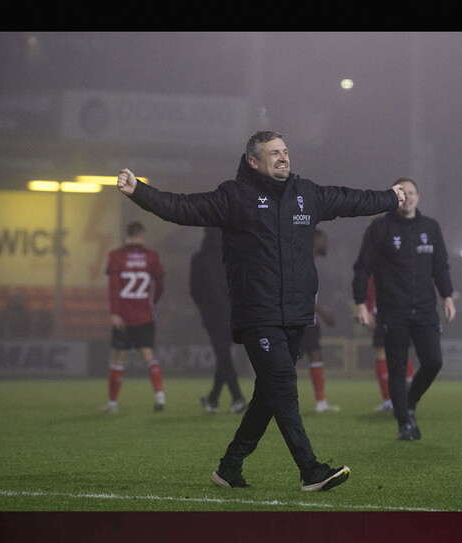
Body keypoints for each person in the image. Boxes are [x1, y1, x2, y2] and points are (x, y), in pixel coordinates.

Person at [116, 130, 404, 491]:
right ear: (254, 162)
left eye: (285, 152)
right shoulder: (235, 197)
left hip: (297, 313)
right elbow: (183, 208)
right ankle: (310, 469)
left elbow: (350, 200)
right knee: (283, 385)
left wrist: (390, 199)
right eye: (274, 154)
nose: (283, 158)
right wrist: (139, 191)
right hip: (258, 313)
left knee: (268, 395)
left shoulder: (306, 194)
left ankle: (229, 467)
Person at [352, 178, 455, 441]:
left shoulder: (430, 228)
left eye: (411, 192)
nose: (407, 197)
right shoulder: (380, 229)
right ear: (394, 197)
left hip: (424, 310)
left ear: (418, 197)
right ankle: (404, 424)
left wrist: (447, 296)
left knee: (433, 361)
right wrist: (361, 302)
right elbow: (362, 267)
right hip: (393, 311)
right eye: (401, 193)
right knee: (397, 368)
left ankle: (408, 403)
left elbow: (440, 266)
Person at [102, 220, 167, 414]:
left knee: (119, 357)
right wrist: (152, 301)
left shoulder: (116, 256)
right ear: (141, 235)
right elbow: (161, 283)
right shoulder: (151, 256)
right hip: (145, 314)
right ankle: (160, 395)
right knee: (148, 354)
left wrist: (114, 312)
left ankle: (112, 404)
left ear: (127, 235)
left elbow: (113, 287)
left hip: (123, 316)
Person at [191, 227, 248, 415]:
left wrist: (204, 308)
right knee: (223, 355)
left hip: (213, 314)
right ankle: (213, 399)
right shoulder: (231, 255)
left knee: (222, 355)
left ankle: (237, 398)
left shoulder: (199, 259)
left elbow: (194, 290)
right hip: (234, 312)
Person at [298, 229, 339, 413]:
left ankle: (321, 402)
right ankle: (271, 402)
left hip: (309, 319)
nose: (327, 243)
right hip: (297, 318)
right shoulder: (301, 260)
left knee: (316, 354)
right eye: (324, 239)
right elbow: (297, 293)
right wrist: (322, 310)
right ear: (314, 240)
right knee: (288, 360)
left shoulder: (310, 262)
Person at [364, 274, 414, 412]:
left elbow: (371, 283)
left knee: (386, 354)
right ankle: (400, 401)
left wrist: (368, 309)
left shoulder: (378, 259)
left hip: (388, 311)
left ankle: (391, 401)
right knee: (400, 353)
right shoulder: (403, 259)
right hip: (399, 311)